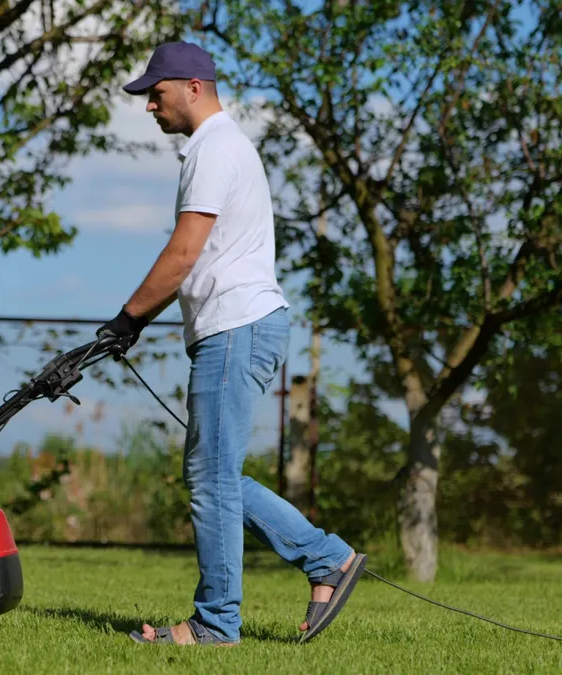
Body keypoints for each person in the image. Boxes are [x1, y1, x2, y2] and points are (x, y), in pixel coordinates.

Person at [95, 40, 366, 647]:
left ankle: (217, 623)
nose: (149, 107)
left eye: (155, 94)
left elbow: (185, 253)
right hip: (241, 326)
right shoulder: (219, 147)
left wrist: (127, 318)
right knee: (215, 474)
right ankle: (327, 560)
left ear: (192, 87)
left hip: (236, 327)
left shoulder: (214, 148)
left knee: (211, 478)